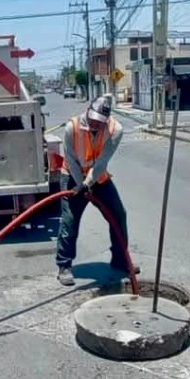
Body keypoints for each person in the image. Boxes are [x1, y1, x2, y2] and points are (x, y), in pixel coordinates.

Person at [55, 93, 132, 286]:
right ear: (88, 112)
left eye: (100, 122)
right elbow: (70, 158)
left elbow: (102, 162)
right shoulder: (72, 127)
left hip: (98, 177)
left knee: (118, 215)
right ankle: (64, 266)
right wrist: (80, 184)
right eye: (93, 120)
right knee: (69, 221)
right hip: (72, 177)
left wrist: (88, 184)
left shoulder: (116, 130)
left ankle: (121, 261)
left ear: (107, 120)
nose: (95, 125)